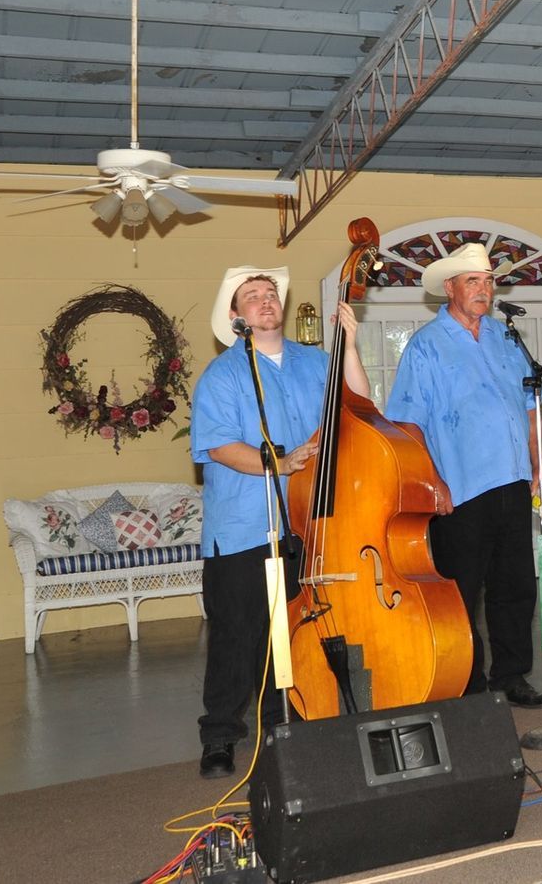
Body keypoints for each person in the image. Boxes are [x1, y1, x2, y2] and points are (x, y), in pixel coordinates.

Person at [188, 266, 368, 779]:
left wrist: (350, 346)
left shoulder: (316, 361)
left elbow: (359, 406)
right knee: (237, 635)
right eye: (252, 296)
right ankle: (220, 736)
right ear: (235, 315)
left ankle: (285, 721)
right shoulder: (222, 374)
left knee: (295, 630)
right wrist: (281, 464)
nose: (266, 301)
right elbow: (218, 446)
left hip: (308, 521)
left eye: (271, 294)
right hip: (242, 526)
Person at [385, 242, 542, 707]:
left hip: (512, 480)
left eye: (488, 281)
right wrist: (431, 481)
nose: (484, 289)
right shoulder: (426, 345)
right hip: (459, 488)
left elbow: (530, 409)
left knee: (515, 586)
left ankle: (511, 676)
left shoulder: (506, 339)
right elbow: (408, 422)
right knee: (462, 591)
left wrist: (539, 464)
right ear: (450, 288)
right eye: (473, 281)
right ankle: (469, 684)